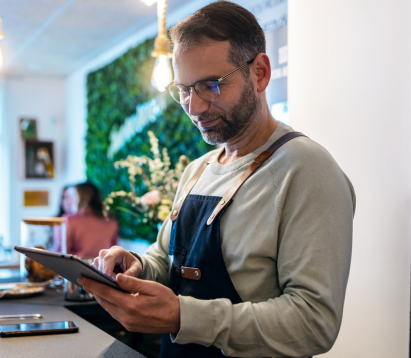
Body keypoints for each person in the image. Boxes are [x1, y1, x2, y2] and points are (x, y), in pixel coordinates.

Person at [78, 2, 355, 357]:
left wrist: (183, 316)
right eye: (184, 90)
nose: (194, 107)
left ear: (260, 73)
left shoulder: (306, 169)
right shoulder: (198, 170)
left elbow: (315, 323)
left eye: (211, 84)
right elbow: (166, 260)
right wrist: (136, 265)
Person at [67, 182, 118, 259]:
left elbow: (62, 250)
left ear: (83, 197)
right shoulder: (111, 220)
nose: (69, 201)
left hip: (77, 266)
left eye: (73, 196)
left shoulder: (70, 220)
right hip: (104, 267)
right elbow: (114, 249)